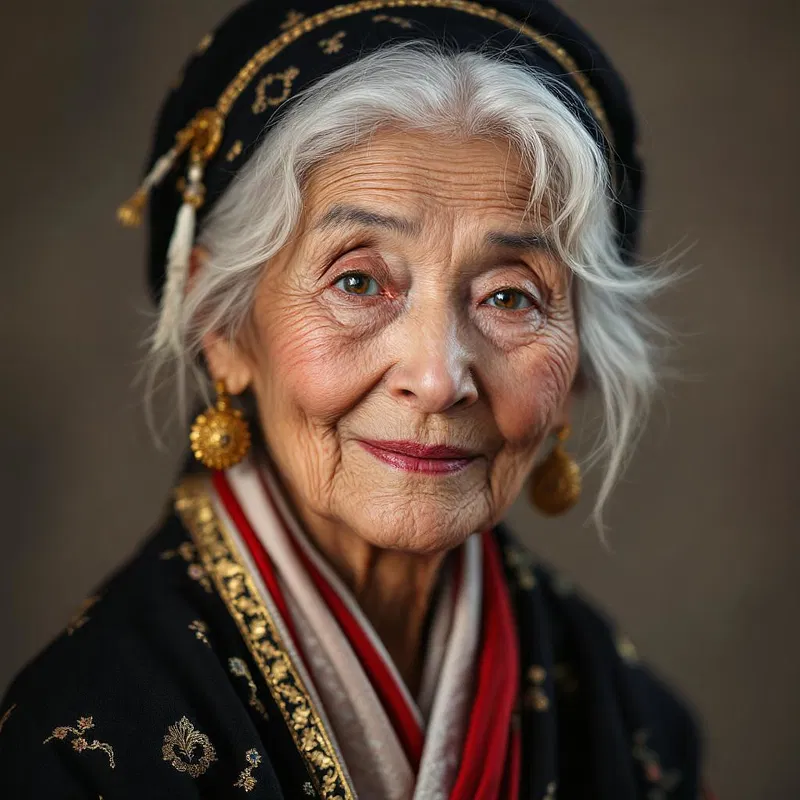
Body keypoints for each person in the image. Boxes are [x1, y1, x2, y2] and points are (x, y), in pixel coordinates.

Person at [0, 1, 712, 797]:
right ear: (223, 326)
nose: (438, 379)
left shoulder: (634, 726)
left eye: (511, 298)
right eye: (357, 281)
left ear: (578, 362)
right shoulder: (80, 746)